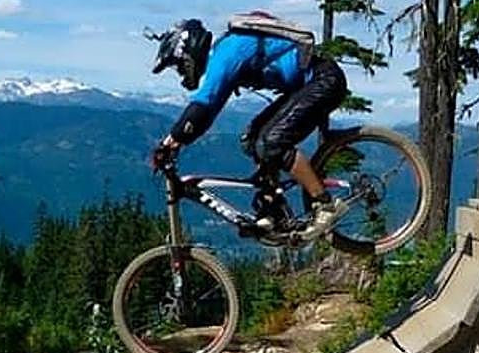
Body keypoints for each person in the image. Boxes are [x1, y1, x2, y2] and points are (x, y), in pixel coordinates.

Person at [148, 16, 348, 237]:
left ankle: (325, 205)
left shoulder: (226, 53)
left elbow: (203, 105)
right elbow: (208, 113)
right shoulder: (224, 52)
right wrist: (177, 142)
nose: (181, 72)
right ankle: (273, 208)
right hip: (309, 85)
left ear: (186, 52)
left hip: (322, 80)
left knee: (272, 142)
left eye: (178, 66)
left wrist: (171, 140)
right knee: (252, 139)